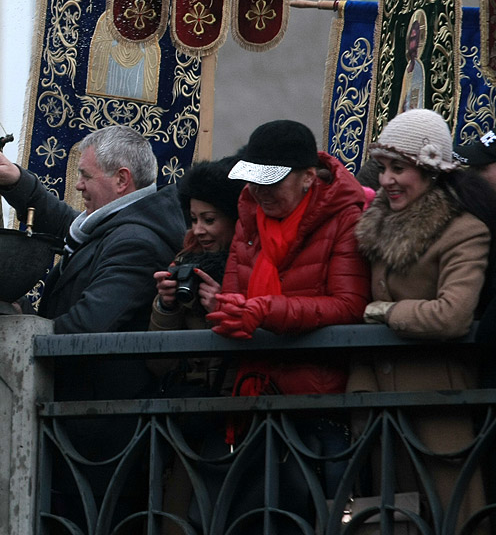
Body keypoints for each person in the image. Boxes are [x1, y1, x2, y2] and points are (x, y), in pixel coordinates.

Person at [0, 124, 186, 531]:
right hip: (87, 434)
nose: (78, 186)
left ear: (121, 180)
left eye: (86, 176)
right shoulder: (124, 224)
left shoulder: (135, 241)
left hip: (103, 444)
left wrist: (20, 330)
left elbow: (86, 325)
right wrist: (19, 183)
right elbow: (74, 228)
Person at [205, 119, 371, 531]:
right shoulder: (248, 219)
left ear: (308, 179)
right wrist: (223, 309)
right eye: (254, 181)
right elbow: (234, 293)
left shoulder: (345, 219)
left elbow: (350, 305)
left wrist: (264, 311)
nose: (260, 192)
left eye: (272, 182)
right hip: (253, 401)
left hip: (319, 403)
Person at [350, 109, 490, 529]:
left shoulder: (463, 230)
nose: (387, 179)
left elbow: (453, 314)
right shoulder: (377, 225)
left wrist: (389, 312)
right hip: (378, 400)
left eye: (400, 168)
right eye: (384, 168)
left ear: (431, 171)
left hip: (436, 397)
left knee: (455, 513)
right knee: (391, 519)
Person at [149, 154, 246, 393]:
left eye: (209, 220)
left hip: (241, 406)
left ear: (235, 220)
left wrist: (222, 310)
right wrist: (165, 307)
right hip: (189, 407)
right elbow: (158, 364)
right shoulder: (184, 264)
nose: (199, 230)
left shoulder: (254, 266)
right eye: (193, 220)